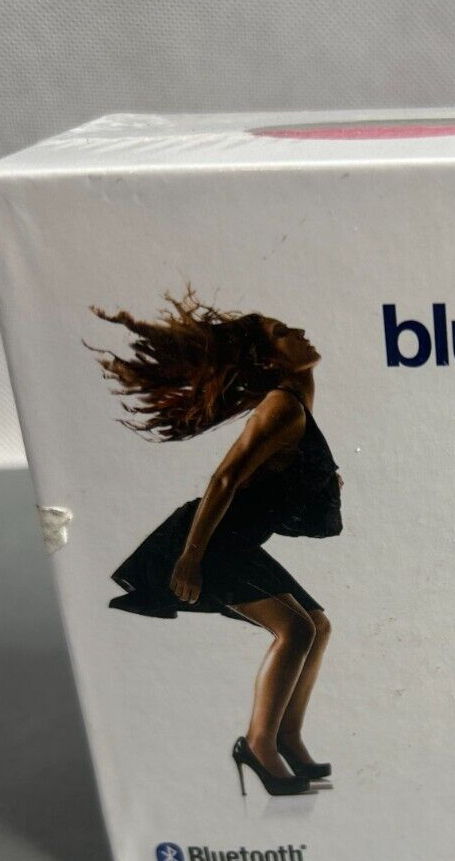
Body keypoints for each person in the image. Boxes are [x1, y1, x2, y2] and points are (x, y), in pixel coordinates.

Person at [86, 289, 343, 797]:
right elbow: (224, 479)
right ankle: (258, 745)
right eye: (282, 333)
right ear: (269, 359)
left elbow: (273, 486)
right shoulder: (281, 406)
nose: (298, 333)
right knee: (293, 629)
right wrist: (190, 556)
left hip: (237, 542)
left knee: (317, 624)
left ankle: (287, 736)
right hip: (208, 541)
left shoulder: (298, 401)